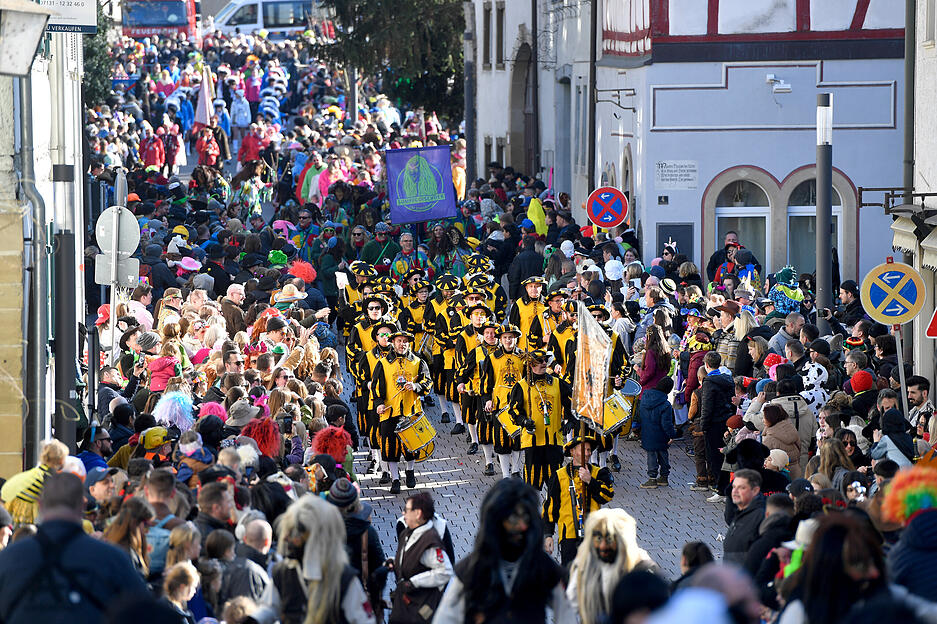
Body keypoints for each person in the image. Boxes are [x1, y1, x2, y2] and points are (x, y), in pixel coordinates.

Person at [0, 473, 149, 622]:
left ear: (40, 504)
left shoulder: (9, 558)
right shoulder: (112, 558)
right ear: (83, 504)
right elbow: (144, 613)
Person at [433, 479, 573, 623]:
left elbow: (566, 613)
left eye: (525, 517)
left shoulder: (542, 566)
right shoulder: (472, 568)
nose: (522, 526)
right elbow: (446, 618)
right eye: (514, 519)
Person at [273, 494, 375, 624]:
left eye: (296, 533)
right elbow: (266, 609)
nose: (287, 538)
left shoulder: (344, 579)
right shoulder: (283, 573)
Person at [566, 509, 658, 624]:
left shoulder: (643, 567)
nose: (603, 546)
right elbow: (570, 606)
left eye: (609, 540)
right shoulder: (584, 565)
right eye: (598, 539)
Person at [371, 329, 432, 493]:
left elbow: (428, 383)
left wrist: (417, 386)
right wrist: (378, 403)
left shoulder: (418, 362)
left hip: (411, 411)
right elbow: (376, 387)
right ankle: (395, 478)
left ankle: (410, 471)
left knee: (412, 446)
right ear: (393, 342)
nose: (402, 344)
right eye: (399, 341)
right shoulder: (383, 363)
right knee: (390, 448)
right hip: (389, 412)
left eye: (405, 341)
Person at [542, 435, 615, 565]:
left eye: (589, 450)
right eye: (583, 450)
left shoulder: (599, 473)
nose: (587, 453)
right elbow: (550, 507)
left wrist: (590, 481)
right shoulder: (559, 475)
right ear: (572, 451)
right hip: (568, 535)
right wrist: (548, 534)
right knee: (570, 578)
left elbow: (607, 496)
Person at [508, 348, 573, 490]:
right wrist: (524, 421)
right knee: (532, 481)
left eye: (545, 360)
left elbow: (570, 402)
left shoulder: (557, 383)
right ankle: (533, 510)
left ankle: (552, 509)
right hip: (532, 441)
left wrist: (570, 420)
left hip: (554, 439)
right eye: (540, 361)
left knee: (555, 482)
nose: (544, 363)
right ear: (531, 365)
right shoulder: (522, 386)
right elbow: (513, 411)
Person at [388, 492, 452, 623]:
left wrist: (414, 582)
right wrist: (395, 563)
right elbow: (410, 557)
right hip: (405, 604)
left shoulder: (429, 541)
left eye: (406, 510)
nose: (403, 513)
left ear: (418, 514)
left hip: (420, 608)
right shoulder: (406, 531)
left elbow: (445, 571)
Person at [637, 376, 677, 489]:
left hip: (647, 432)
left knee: (651, 456)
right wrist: (672, 435)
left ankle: (652, 478)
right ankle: (664, 477)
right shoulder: (666, 405)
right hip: (661, 434)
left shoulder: (645, 397)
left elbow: (639, 415)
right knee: (663, 455)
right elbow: (667, 423)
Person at [722, 469, 766, 565]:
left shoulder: (760, 517)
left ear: (755, 490)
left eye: (742, 488)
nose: (735, 491)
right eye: (734, 487)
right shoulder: (739, 513)